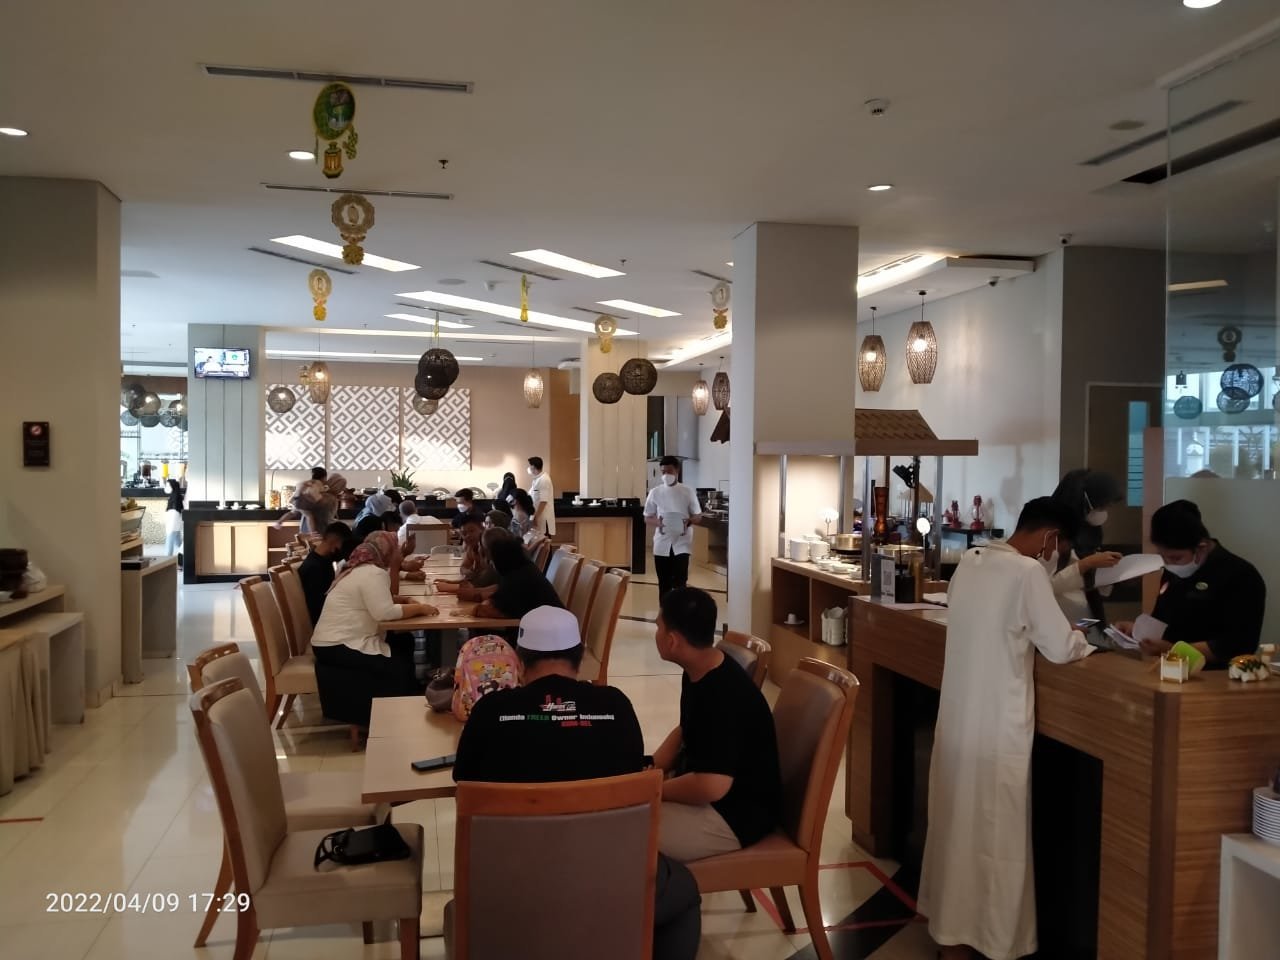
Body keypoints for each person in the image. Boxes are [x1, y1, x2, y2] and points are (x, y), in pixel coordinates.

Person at [454, 605, 702, 960]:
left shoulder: (490, 712)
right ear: (581, 656)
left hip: (509, 889)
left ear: (520, 661)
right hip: (608, 880)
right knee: (684, 891)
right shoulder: (615, 706)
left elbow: (465, 784)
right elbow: (631, 778)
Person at [918, 497, 1094, 960]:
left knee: (956, 828)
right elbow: (1060, 647)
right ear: (1051, 538)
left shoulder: (972, 562)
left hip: (959, 718)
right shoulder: (1027, 572)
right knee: (996, 838)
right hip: (999, 724)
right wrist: (1082, 638)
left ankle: (949, 935)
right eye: (1060, 549)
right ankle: (992, 941)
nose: (1055, 557)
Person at [651, 587, 781, 863]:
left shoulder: (724, 694)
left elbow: (711, 785)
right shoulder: (700, 667)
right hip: (711, 795)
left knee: (624, 829)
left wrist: (653, 788)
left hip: (734, 814)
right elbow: (686, 728)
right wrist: (653, 765)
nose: (656, 633)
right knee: (620, 810)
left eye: (658, 626)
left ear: (672, 641)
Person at [1113, 500, 1266, 667]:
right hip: (1171, 671)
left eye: (1175, 558)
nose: (1169, 564)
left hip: (1217, 676)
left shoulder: (1240, 575)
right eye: (1163, 557)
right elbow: (1165, 621)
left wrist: (1173, 650)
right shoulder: (1174, 572)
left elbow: (1236, 645)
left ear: (1201, 548)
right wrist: (1137, 632)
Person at [310, 531, 438, 725]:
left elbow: (377, 599)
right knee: (396, 665)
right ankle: (392, 717)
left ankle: (409, 695)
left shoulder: (359, 569)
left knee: (403, 641)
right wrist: (420, 608)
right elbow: (384, 612)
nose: (397, 553)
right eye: (395, 549)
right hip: (338, 645)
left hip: (329, 642)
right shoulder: (373, 573)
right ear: (386, 552)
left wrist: (403, 600)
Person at [1049, 469, 1123, 623]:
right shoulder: (1050, 533)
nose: (1104, 513)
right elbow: (1047, 584)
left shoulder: (1091, 531)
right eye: (1101, 507)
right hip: (1059, 615)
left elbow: (1091, 582)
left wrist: (1109, 572)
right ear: (1083, 501)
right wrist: (1086, 564)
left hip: (1087, 614)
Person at [644, 456, 702, 599]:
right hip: (661, 542)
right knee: (663, 582)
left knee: (680, 582)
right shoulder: (655, 492)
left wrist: (689, 521)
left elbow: (698, 516)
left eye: (669, 471)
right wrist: (659, 522)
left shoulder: (687, 491)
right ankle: (665, 610)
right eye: (663, 472)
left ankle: (679, 610)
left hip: (682, 542)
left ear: (677, 470)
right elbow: (647, 517)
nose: (666, 475)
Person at [471, 533, 562, 622]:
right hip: (557, 623)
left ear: (500, 560)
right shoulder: (523, 569)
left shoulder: (516, 579)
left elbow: (489, 610)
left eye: (492, 560)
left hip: (549, 628)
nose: (491, 563)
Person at [297, 522, 353, 626]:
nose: (343, 550)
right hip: (322, 624)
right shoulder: (315, 568)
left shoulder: (321, 561)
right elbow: (320, 605)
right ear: (335, 541)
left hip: (324, 619)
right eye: (343, 545)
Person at [527, 456, 556, 537]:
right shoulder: (537, 479)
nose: (529, 468)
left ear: (533, 467)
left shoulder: (544, 480)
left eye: (530, 466)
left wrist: (536, 516)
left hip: (543, 517)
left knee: (544, 540)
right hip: (538, 515)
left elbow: (543, 501)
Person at [163, 478, 185, 556]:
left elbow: (174, 513)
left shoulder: (175, 498)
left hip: (172, 524)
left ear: (172, 487)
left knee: (169, 542)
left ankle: (167, 559)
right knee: (178, 542)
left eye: (168, 486)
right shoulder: (175, 496)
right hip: (174, 524)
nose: (166, 487)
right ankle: (185, 556)